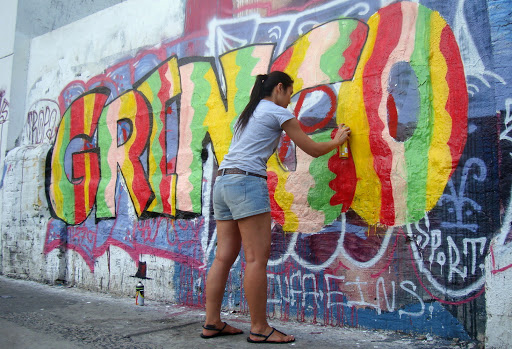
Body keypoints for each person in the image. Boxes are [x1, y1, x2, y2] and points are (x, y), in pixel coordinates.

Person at [200, 71, 351, 344]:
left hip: (222, 183)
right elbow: (313, 149)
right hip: (246, 183)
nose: (289, 102)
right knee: (256, 258)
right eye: (289, 94)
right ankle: (259, 328)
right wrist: (336, 141)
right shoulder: (276, 112)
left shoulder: (249, 112)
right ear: (279, 88)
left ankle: (212, 322)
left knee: (223, 257)